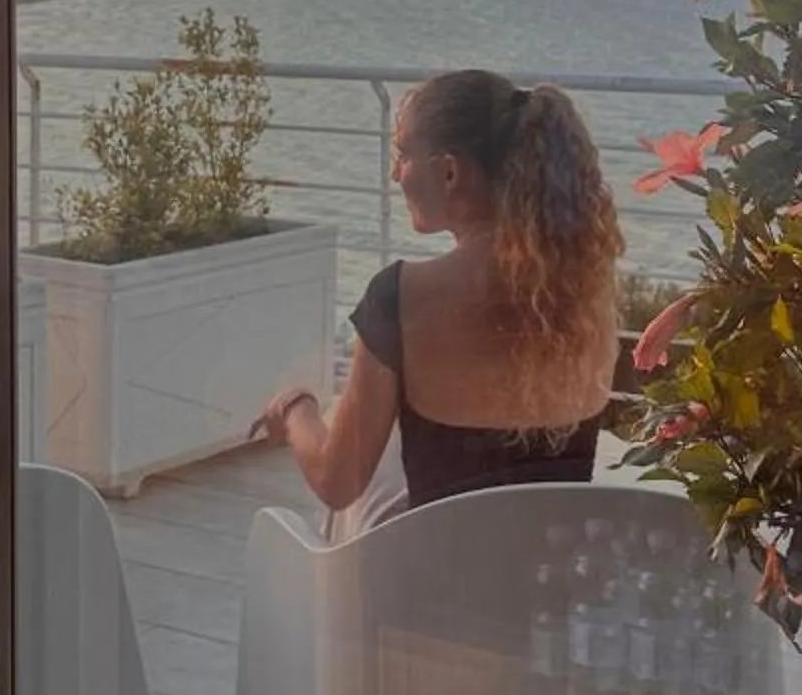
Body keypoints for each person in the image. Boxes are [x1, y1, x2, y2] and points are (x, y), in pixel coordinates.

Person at [255, 69, 623, 515]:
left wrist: (297, 409)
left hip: (438, 561)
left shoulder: (400, 297)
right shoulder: (586, 294)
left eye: (403, 154)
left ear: (449, 172)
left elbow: (338, 482)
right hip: (558, 558)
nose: (395, 174)